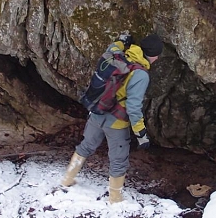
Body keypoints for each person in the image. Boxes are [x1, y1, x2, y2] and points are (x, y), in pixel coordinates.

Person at [60, 33, 164, 203]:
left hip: (97, 112)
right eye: (156, 55)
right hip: (116, 121)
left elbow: (112, 47)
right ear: (151, 55)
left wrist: (122, 41)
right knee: (118, 159)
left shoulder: (117, 56)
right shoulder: (140, 75)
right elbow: (133, 107)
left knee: (86, 146)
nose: (157, 58)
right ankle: (115, 198)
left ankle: (67, 179)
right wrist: (141, 134)